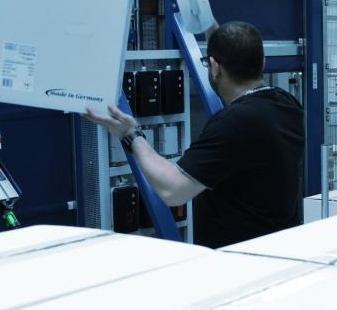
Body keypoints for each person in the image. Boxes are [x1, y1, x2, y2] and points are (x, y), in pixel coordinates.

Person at [85, 21, 304, 248]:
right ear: (262, 63)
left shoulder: (234, 122)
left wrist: (131, 134)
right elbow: (235, 51)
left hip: (240, 262)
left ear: (214, 67)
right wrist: (208, 24)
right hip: (279, 249)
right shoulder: (287, 105)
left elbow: (173, 190)